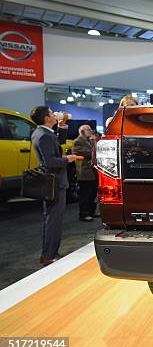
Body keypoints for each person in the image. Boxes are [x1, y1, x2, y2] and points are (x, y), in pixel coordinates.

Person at [30, 106, 81, 266]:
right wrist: (68, 159)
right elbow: (50, 162)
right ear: (46, 118)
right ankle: (49, 255)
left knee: (51, 218)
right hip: (55, 181)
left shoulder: (44, 133)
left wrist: (62, 126)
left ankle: (49, 253)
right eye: (52, 113)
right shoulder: (44, 135)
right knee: (54, 220)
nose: (55, 114)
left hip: (53, 181)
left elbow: (58, 145)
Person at [73, 125, 97, 222]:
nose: (90, 131)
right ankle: (84, 214)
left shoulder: (89, 141)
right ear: (82, 131)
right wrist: (95, 150)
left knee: (92, 193)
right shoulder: (77, 142)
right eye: (88, 130)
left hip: (92, 172)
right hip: (85, 173)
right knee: (85, 194)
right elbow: (86, 153)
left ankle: (91, 212)